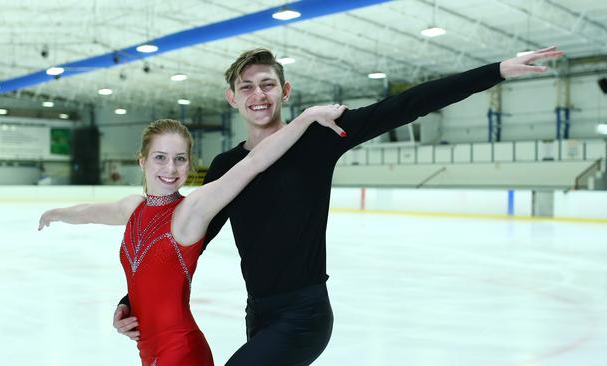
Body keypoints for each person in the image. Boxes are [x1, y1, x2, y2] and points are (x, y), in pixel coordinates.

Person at [114, 47, 565, 365]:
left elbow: (409, 104)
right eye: (246, 86)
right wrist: (132, 302)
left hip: (305, 313)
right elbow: (186, 244)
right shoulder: (228, 166)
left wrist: (498, 70)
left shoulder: (320, 136)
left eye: (267, 84)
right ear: (233, 97)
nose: (258, 94)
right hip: (260, 313)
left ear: (285, 91)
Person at [39, 107, 347, 366]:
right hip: (149, 351)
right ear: (142, 161)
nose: (170, 168)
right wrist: (57, 214)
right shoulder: (132, 208)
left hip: (182, 352)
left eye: (180, 159)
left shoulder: (191, 211)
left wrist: (304, 119)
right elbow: (90, 211)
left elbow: (254, 163)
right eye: (160, 158)